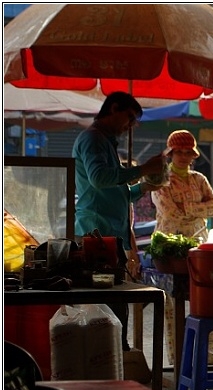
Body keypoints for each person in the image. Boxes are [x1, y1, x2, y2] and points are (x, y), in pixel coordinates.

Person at [73, 91, 167, 351]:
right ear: (114, 108)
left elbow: (115, 191)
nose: (130, 126)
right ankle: (109, 356)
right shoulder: (92, 139)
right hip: (96, 236)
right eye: (129, 118)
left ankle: (116, 354)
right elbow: (100, 179)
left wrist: (143, 187)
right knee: (105, 305)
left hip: (109, 235)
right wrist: (142, 170)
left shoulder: (105, 141)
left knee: (114, 304)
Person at [151, 129, 213, 365]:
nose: (182, 156)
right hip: (170, 251)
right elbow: (170, 214)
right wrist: (196, 209)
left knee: (208, 300)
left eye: (187, 152)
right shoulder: (161, 179)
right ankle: (179, 357)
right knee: (173, 305)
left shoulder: (200, 179)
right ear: (170, 154)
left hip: (200, 247)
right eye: (178, 152)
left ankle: (209, 355)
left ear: (193, 155)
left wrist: (187, 208)